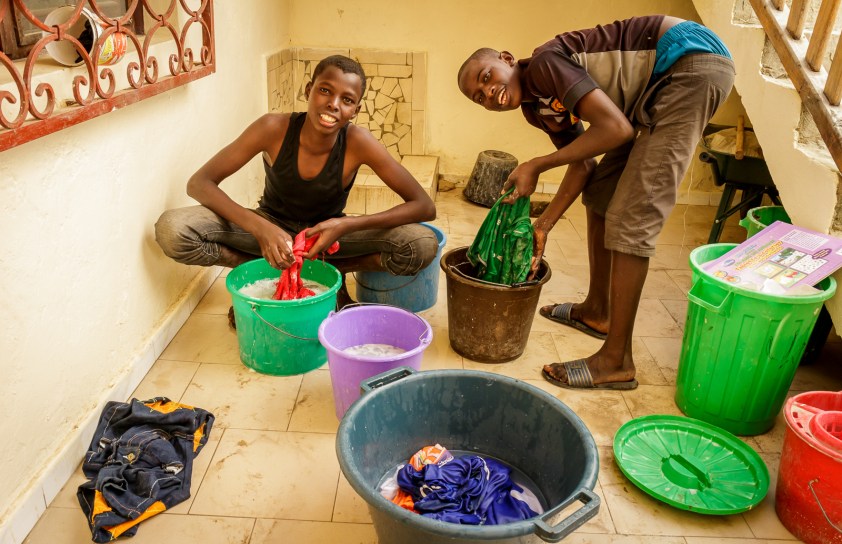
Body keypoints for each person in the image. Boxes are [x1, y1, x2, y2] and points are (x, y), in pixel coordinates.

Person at [458, 16, 734, 390]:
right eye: (479, 97)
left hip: (688, 62)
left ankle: (616, 360)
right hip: (652, 91)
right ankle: (597, 310)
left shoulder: (543, 64)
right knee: (601, 191)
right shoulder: (537, 109)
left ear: (507, 59)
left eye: (486, 77)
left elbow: (615, 130)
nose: (489, 92)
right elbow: (584, 163)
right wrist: (544, 225)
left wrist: (537, 164)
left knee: (632, 216)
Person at [155, 55, 438, 319]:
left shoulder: (358, 142)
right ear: (308, 90)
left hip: (326, 238)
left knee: (421, 244)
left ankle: (327, 273)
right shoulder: (273, 128)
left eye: (347, 100)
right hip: (271, 225)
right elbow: (200, 183)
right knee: (174, 229)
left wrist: (345, 226)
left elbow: (424, 206)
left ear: (355, 110)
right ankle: (265, 272)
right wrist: (260, 228)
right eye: (325, 91)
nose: (333, 104)